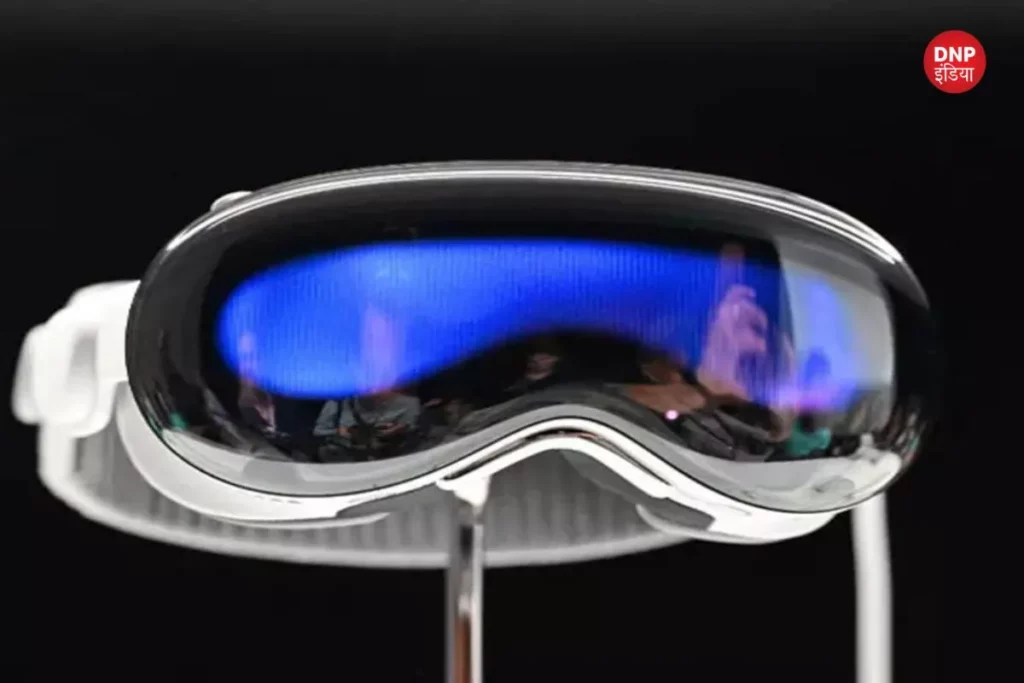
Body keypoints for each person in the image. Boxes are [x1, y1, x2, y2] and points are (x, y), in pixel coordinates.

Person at [313, 390, 422, 461]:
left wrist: (398, 431)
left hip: (391, 461)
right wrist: (340, 432)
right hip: (345, 462)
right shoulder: (339, 402)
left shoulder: (410, 404)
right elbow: (318, 431)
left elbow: (417, 438)